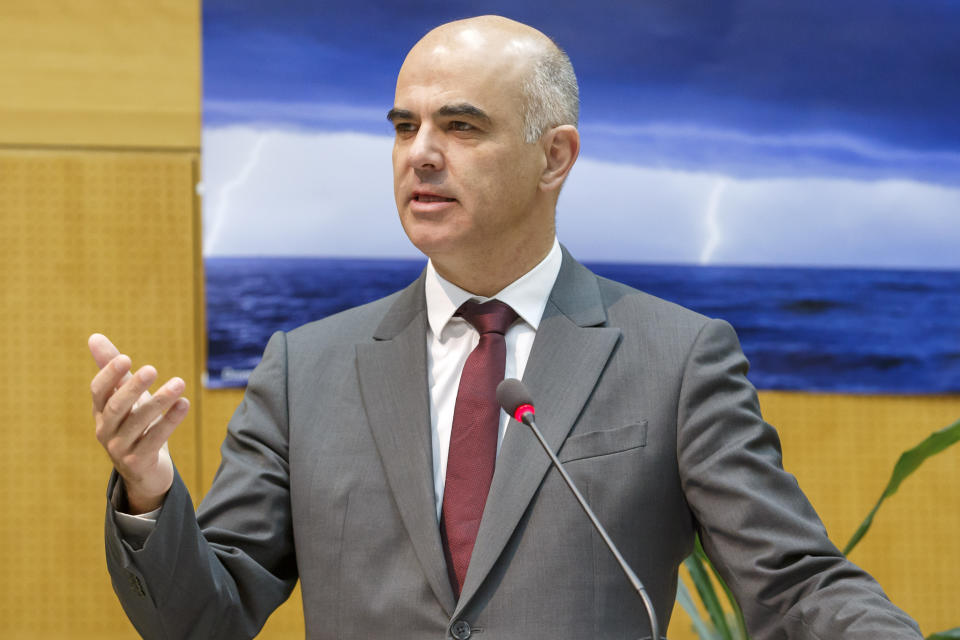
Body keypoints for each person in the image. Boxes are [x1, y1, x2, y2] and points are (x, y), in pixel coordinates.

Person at [89, 15, 923, 640]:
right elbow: (205, 618)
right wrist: (149, 490)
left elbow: (794, 582)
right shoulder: (305, 370)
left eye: (459, 126)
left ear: (554, 157)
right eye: (404, 126)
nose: (420, 153)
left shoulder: (675, 359)